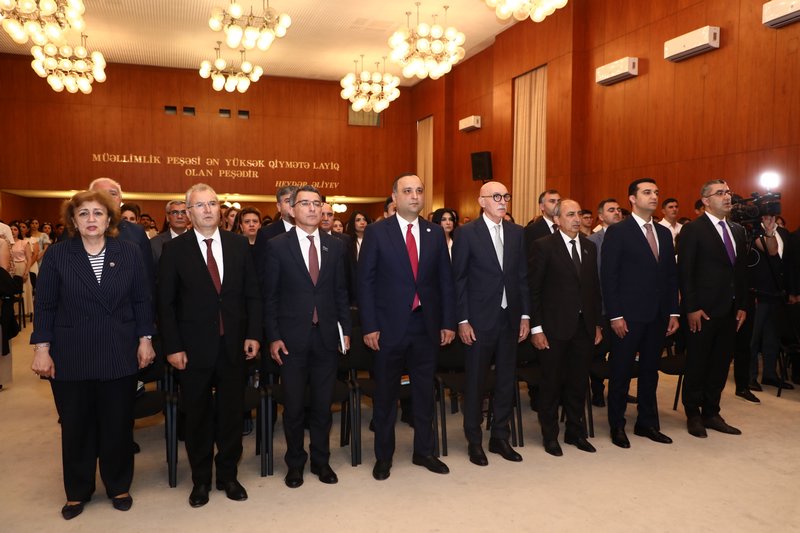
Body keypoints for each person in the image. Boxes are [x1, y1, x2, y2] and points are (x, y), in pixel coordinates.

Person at [30, 189, 155, 520]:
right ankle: (77, 491)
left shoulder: (128, 252)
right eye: (83, 213)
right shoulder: (58, 255)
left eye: (98, 213)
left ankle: (118, 486)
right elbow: (45, 305)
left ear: (109, 218)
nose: (91, 219)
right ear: (73, 220)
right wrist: (42, 349)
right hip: (71, 353)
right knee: (76, 426)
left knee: (117, 425)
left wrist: (145, 339)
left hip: (118, 350)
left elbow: (142, 300)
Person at [158, 183, 261, 508]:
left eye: (212, 204)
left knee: (232, 414)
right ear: (188, 213)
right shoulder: (175, 249)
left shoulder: (238, 244)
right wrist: (172, 347)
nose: (207, 210)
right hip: (192, 349)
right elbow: (165, 304)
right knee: (197, 416)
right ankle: (201, 479)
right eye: (200, 205)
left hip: (233, 345)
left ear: (220, 209)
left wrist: (253, 334)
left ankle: (228, 475)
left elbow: (252, 294)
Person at [358, 173, 456, 480]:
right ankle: (383, 456)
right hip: (388, 328)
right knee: (386, 394)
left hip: (426, 326)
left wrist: (448, 322)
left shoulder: (434, 232)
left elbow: (445, 282)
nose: (414, 196)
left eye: (419, 190)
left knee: (424, 393)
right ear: (395, 197)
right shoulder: (377, 232)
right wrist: (369, 326)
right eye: (408, 191)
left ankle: (424, 451)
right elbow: (365, 283)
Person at [264, 185, 351, 488]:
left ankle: (321, 461)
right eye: (305, 203)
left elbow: (341, 292)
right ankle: (295, 464)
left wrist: (345, 330)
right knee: (294, 407)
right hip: (291, 340)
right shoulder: (277, 246)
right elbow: (270, 297)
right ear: (291, 209)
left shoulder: (335, 246)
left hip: (326, 337)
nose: (313, 208)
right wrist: (274, 336)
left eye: (317, 203)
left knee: (323, 406)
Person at [451, 181, 529, 466]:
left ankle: (499, 436)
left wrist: (525, 316)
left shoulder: (517, 232)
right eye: (496, 196)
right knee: (476, 382)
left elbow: (522, 277)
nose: (502, 201)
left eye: (506, 196)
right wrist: (462, 320)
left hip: (510, 319)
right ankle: (474, 440)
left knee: (506, 380)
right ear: (482, 201)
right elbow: (458, 279)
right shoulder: (466, 233)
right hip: (478, 320)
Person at [601, 178, 679, 449]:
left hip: (658, 315)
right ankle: (617, 425)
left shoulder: (664, 233)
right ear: (632, 199)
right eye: (647, 192)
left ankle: (647, 423)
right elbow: (609, 277)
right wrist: (615, 315)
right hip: (628, 316)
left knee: (649, 372)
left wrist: (673, 312)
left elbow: (670, 277)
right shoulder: (618, 232)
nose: (654, 197)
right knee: (621, 372)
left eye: (656, 192)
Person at [529, 199, 602, 456]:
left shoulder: (590, 247)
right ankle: (550, 436)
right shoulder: (543, 246)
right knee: (551, 384)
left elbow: (594, 289)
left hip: (583, 327)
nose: (576, 218)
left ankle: (575, 431)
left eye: (578, 213)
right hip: (553, 328)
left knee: (578, 383)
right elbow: (534, 291)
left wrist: (596, 324)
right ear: (557, 219)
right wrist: (536, 329)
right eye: (570, 214)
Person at [678, 179, 747, 438]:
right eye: (720, 193)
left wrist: (742, 304)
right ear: (706, 200)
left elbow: (740, 272)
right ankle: (693, 413)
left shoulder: (737, 230)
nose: (727, 197)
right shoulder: (693, 230)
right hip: (702, 311)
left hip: (730, 309)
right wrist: (691, 307)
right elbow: (685, 272)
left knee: (720, 363)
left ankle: (712, 411)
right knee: (697, 362)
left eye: (728, 192)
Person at [89, 178, 155, 296]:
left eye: (113, 194)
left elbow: (147, 278)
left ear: (120, 200)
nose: (107, 197)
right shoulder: (74, 230)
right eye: (101, 193)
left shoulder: (136, 232)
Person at [587, 198, 622, 407]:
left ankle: (619, 391)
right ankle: (597, 391)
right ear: (601, 216)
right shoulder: (592, 241)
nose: (617, 212)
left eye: (618, 209)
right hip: (601, 308)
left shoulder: (629, 237)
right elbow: (592, 278)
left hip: (623, 308)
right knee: (599, 353)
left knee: (621, 353)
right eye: (611, 210)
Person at [150, 200, 189, 266]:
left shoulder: (198, 240)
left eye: (184, 212)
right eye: (175, 213)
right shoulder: (154, 243)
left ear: (189, 216)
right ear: (168, 217)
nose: (180, 216)